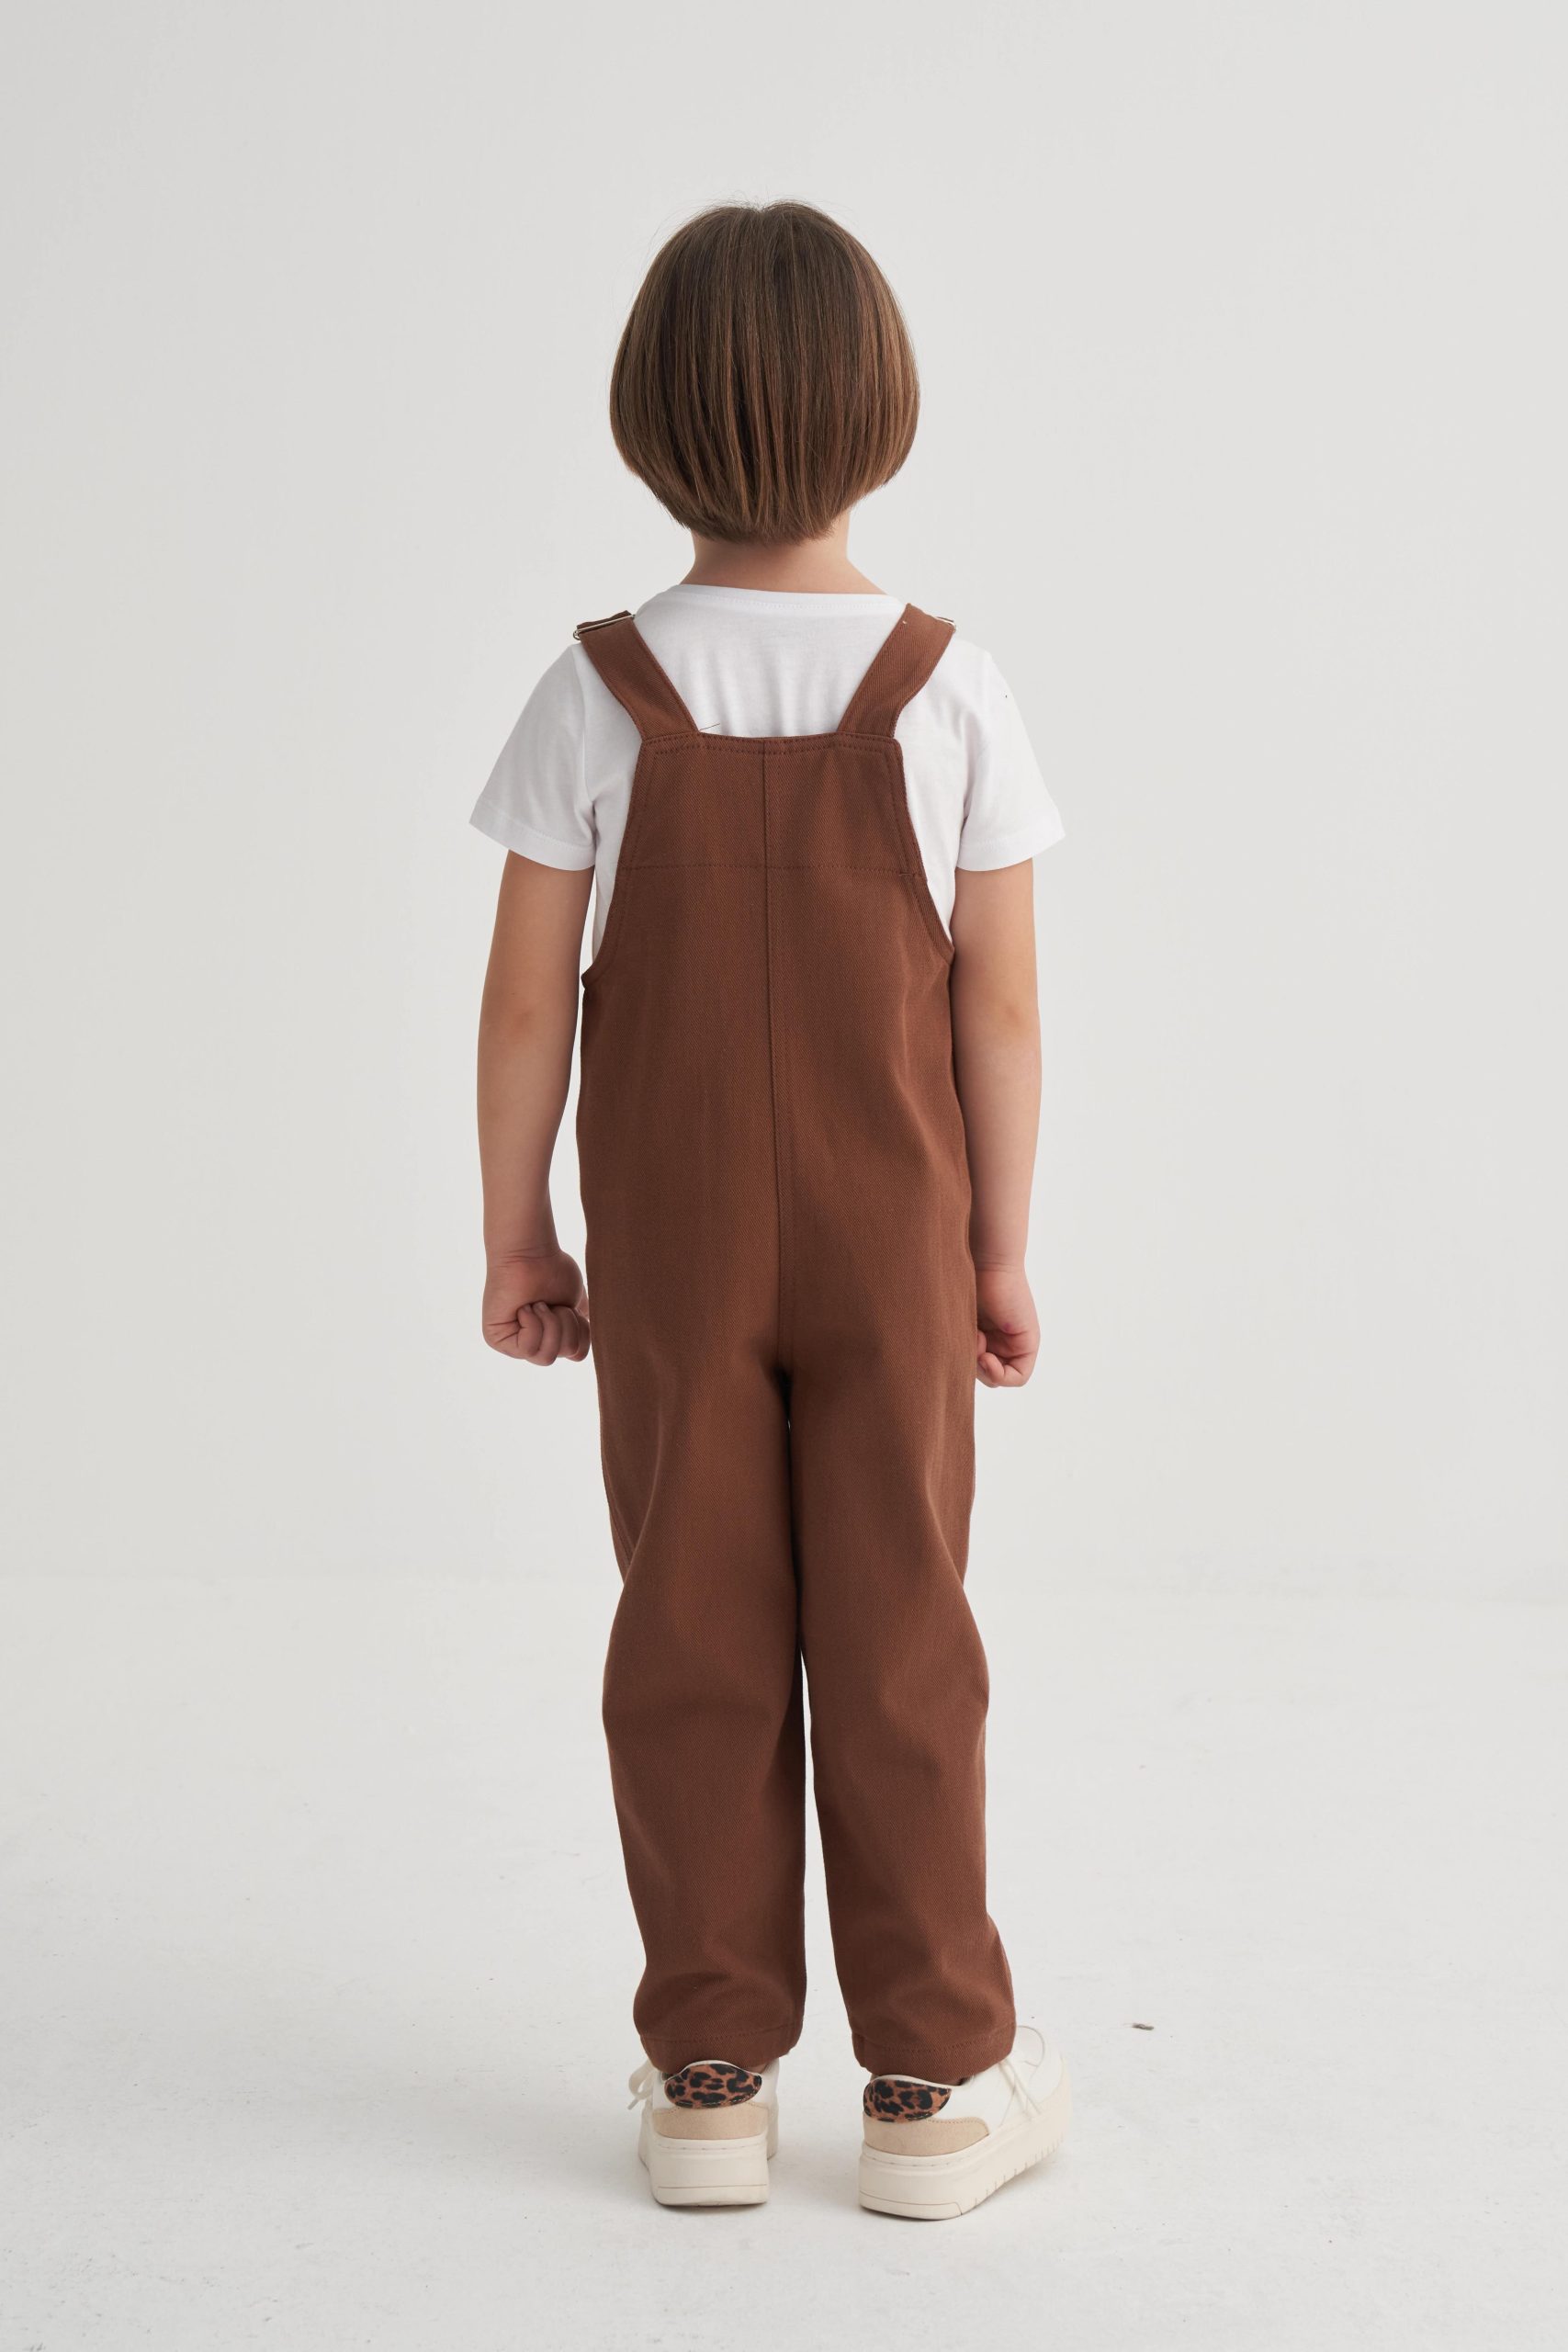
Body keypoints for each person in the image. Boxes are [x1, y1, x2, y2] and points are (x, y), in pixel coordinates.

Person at [470, 200, 1070, 2219]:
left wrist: (520, 1232)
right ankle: (933, 2083)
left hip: (668, 1245)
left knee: (690, 1623)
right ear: (880, 412)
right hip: (896, 1242)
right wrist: (996, 1246)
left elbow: (524, 999)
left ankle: (710, 2075)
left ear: (648, 417)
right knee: (903, 1632)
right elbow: (997, 1004)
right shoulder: (948, 685)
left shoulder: (595, 688)